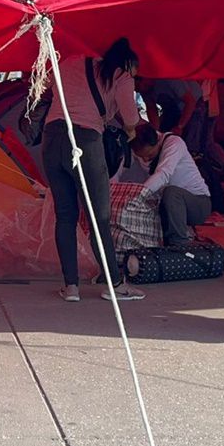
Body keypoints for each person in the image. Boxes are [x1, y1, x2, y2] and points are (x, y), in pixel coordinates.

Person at [42, 38, 144, 302]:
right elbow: (131, 118)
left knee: (65, 215)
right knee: (99, 218)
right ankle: (115, 285)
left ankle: (71, 287)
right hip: (86, 141)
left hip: (52, 137)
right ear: (129, 63)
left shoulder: (70, 61)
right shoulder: (121, 75)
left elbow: (50, 87)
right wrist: (129, 130)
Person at [129, 124, 212, 248]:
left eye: (150, 156)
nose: (145, 160)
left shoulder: (174, 143)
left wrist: (137, 197)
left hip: (198, 204)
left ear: (157, 141)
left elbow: (163, 174)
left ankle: (179, 245)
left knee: (171, 192)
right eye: (141, 157)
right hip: (170, 206)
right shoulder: (140, 150)